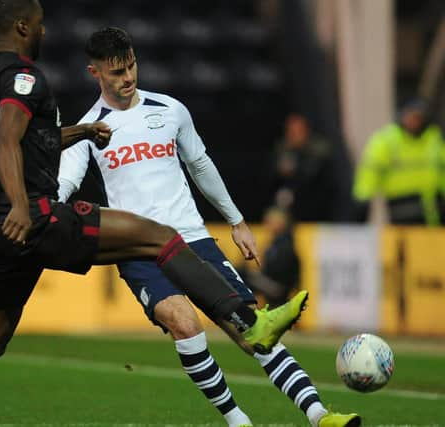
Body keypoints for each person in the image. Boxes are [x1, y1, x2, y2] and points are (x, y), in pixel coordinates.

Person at [0, 2, 307, 426]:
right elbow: (6, 143)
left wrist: (81, 131)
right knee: (156, 234)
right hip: (32, 218)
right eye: (38, 23)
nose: (44, 30)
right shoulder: (25, 78)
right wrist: (22, 203)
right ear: (22, 28)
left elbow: (27, 138)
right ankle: (250, 322)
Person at [57, 27, 358, 427]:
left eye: (131, 66)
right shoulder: (88, 129)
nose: (128, 77)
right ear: (94, 72)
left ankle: (320, 415)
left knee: (252, 330)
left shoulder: (170, 110)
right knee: (185, 322)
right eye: (116, 72)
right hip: (139, 252)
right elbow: (64, 184)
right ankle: (238, 421)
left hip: (193, 240)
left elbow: (200, 165)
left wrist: (236, 221)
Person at [353, 99, 445, 225]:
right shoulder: (387, 140)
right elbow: (371, 170)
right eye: (411, 116)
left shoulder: (434, 139)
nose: (413, 122)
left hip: (434, 209)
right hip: (401, 208)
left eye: (418, 117)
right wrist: (363, 198)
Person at [272, 114, 336, 222]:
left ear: (306, 131)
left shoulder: (318, 149)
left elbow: (314, 176)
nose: (294, 136)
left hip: (316, 205)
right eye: (291, 132)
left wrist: (295, 170)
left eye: (297, 131)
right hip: (289, 205)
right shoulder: (283, 149)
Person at [240, 207, 300, 308]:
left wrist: (257, 275)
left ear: (280, 223)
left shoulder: (284, 244)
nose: (266, 224)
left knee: (240, 274)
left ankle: (246, 314)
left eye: (269, 221)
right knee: (243, 272)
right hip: (273, 285)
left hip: (278, 288)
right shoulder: (277, 242)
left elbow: (281, 272)